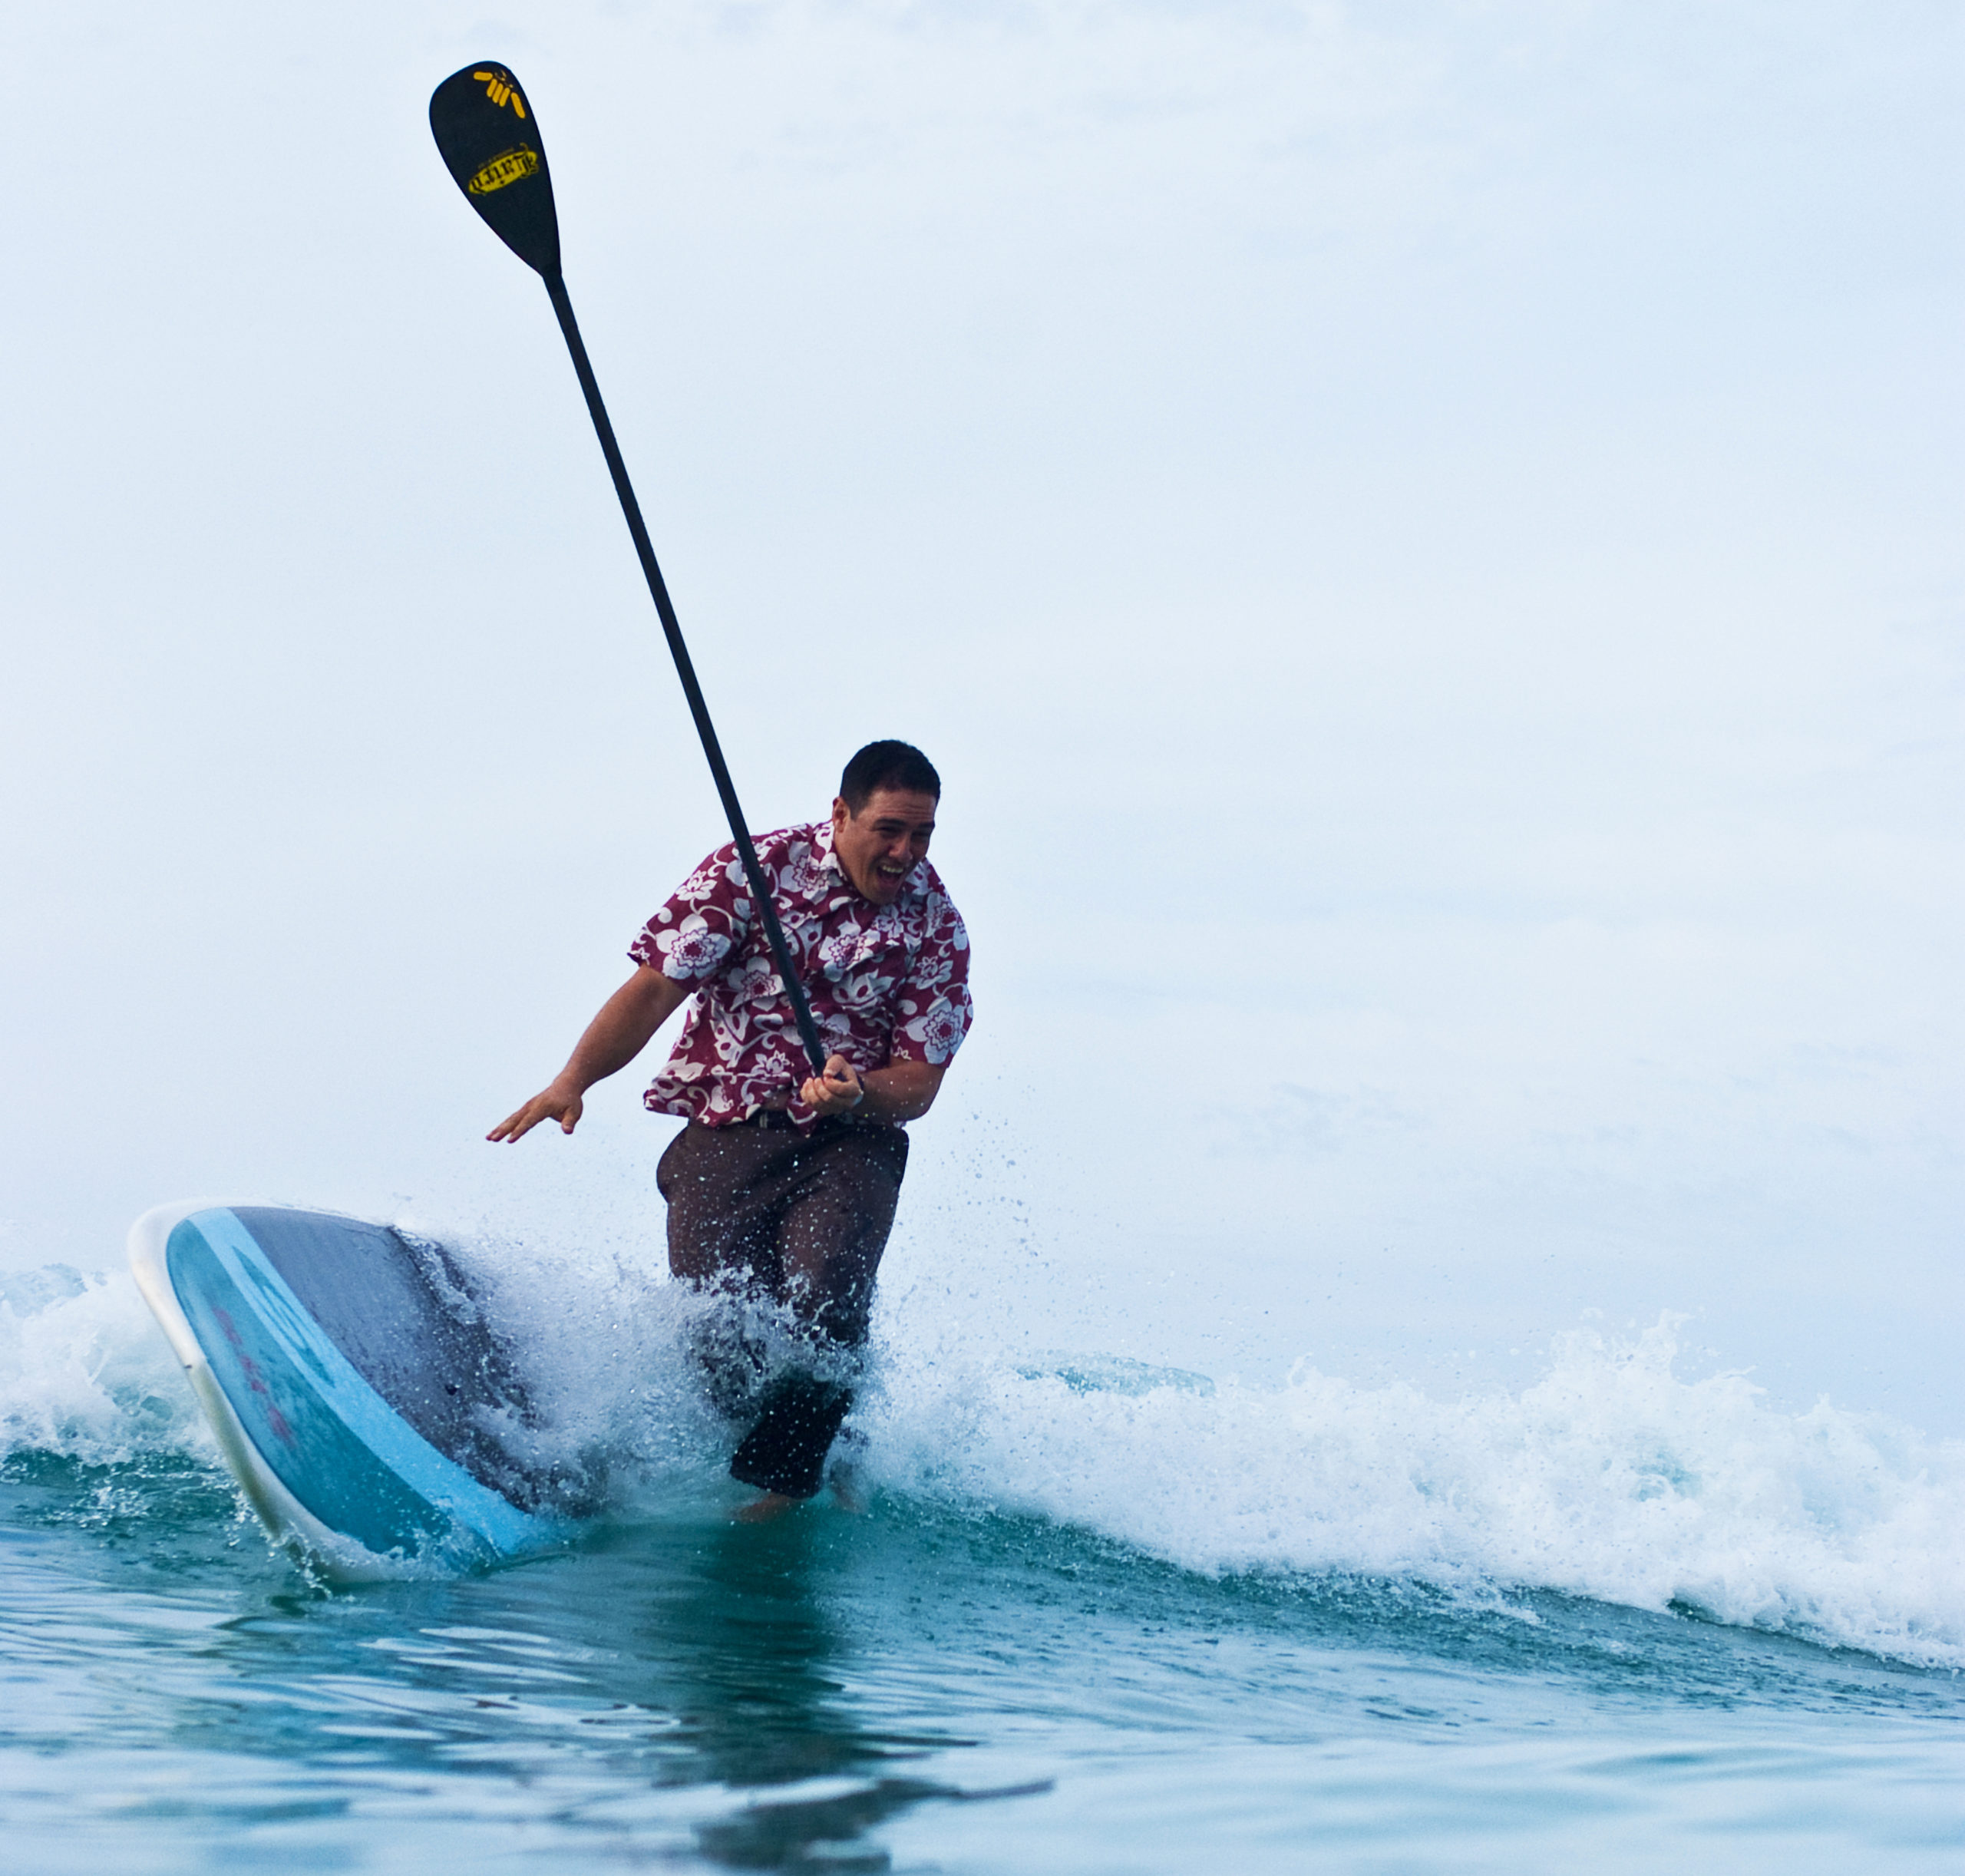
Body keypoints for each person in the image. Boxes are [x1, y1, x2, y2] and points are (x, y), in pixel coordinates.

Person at [488, 740, 972, 1519]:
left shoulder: (936, 926)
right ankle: (826, 1441)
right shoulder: (752, 872)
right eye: (889, 829)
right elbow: (654, 989)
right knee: (719, 1335)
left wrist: (859, 1094)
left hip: (850, 1142)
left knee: (828, 1296)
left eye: (922, 835)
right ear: (840, 812)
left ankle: (783, 1488)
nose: (905, 852)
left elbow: (918, 1084)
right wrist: (572, 1080)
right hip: (725, 1132)